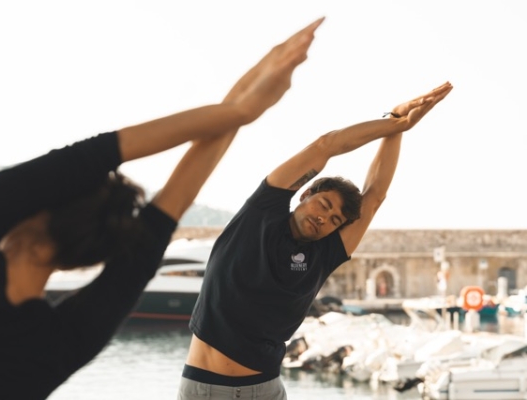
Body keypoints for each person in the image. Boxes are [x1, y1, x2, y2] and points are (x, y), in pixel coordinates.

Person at [0, 17, 325, 400]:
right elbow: (166, 211)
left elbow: (90, 155)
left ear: (35, 214)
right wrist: (243, 111)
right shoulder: (58, 346)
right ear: (73, 260)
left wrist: (241, 110)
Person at [178, 81, 453, 399]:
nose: (325, 218)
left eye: (335, 219)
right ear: (305, 193)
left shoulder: (325, 253)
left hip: (266, 389)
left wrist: (398, 131)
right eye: (324, 205)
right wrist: (394, 120)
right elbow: (326, 145)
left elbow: (375, 195)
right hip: (205, 388)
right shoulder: (261, 215)